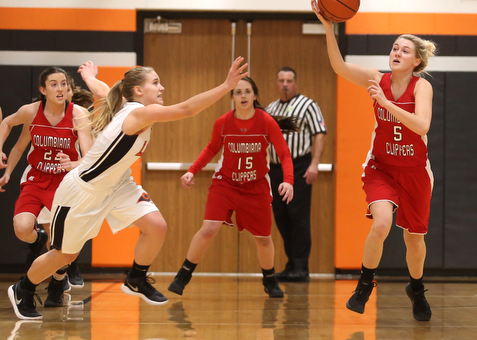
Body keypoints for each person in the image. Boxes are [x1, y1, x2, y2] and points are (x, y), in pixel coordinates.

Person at [7, 57, 248, 320]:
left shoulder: (124, 103)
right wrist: (227, 86)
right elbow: (187, 109)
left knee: (157, 226)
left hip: (118, 184)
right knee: (65, 254)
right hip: (84, 190)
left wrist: (89, 77)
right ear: (138, 91)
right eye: (156, 83)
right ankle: (23, 289)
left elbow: (103, 91)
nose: (162, 88)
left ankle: (136, 277)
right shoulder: (139, 113)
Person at [311, 0, 436, 322]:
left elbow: (422, 126)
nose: (396, 52)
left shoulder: (422, 87)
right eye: (394, 47)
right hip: (382, 167)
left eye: (404, 50)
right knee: (381, 223)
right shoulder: (375, 78)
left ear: (417, 60)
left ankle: (417, 288)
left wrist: (385, 103)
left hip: (415, 172)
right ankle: (365, 284)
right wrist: (328, 28)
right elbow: (339, 67)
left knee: (414, 240)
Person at [168, 76, 296, 298]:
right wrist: (192, 170)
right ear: (232, 97)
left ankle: (270, 279)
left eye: (247, 91)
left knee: (264, 238)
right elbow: (211, 149)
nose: (243, 96)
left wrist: (288, 180)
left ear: (254, 96)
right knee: (209, 228)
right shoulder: (223, 122)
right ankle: (183, 275)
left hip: (256, 186)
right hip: (225, 184)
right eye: (238, 92)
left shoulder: (266, 121)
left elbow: (284, 153)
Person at [0, 66, 93, 307]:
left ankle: (57, 283)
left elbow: (91, 154)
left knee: (60, 245)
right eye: (54, 84)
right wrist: (4, 162)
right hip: (36, 178)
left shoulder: (78, 114)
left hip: (64, 184)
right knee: (21, 228)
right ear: (43, 90)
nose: (60, 88)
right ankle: (36, 240)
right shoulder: (31, 112)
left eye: (64, 83)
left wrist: (74, 163)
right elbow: (8, 123)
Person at [266, 67, 326, 282]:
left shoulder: (309, 106)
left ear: (295, 83)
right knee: (281, 217)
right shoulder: (270, 108)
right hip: (275, 169)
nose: (285, 84)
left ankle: (301, 267)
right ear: (276, 83)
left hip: (300, 167)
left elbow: (319, 134)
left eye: (289, 80)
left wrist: (314, 164)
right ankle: (291, 264)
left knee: (298, 217)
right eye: (281, 80)